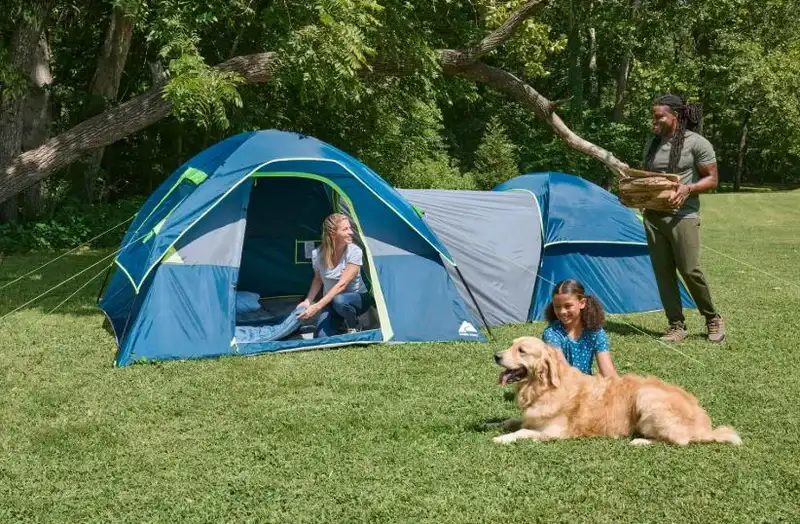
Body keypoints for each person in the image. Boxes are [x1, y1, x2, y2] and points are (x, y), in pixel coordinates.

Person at [641, 93, 725, 343]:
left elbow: (712, 179)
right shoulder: (652, 143)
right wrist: (637, 194)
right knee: (663, 272)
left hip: (683, 216)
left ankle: (712, 318)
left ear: (674, 117)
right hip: (654, 217)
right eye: (653, 116)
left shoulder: (697, 143)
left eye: (659, 116)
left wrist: (688, 188)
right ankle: (676, 325)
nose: (653, 120)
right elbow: (650, 179)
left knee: (689, 269)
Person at [297, 213, 370, 337]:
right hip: (331, 301)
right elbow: (317, 279)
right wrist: (308, 301)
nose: (351, 232)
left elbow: (342, 285)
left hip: (356, 299)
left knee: (340, 300)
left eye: (350, 228)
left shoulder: (354, 251)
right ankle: (340, 323)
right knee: (321, 336)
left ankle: (354, 325)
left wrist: (317, 306)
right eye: (345, 229)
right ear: (332, 234)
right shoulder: (317, 254)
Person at [542, 279, 618, 378]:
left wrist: (618, 388)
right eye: (557, 307)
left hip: (584, 386)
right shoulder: (551, 333)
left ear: (582, 303)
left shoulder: (596, 332)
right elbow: (564, 372)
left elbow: (608, 372)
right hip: (561, 386)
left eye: (568, 306)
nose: (562, 311)